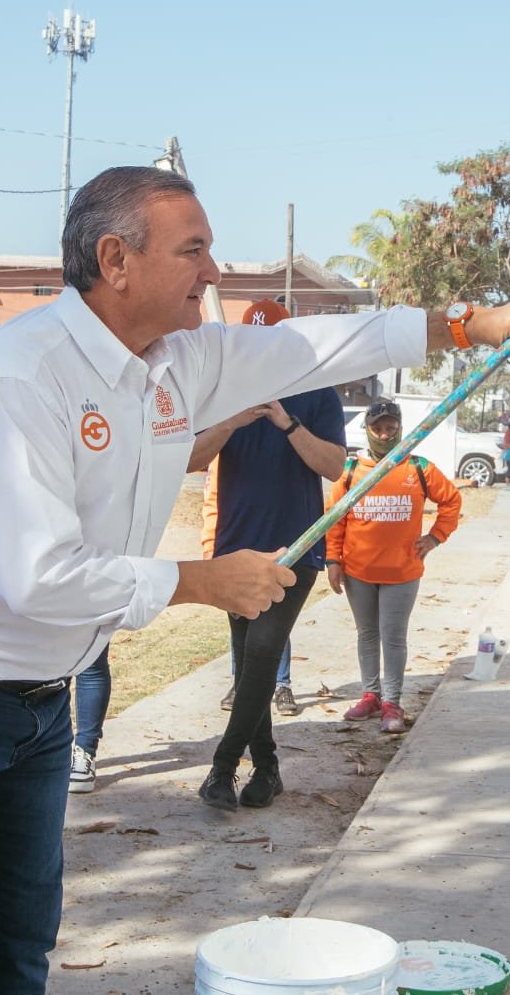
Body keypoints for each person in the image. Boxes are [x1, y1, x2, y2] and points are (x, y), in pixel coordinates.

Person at [0, 165, 510, 992]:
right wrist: (203, 580)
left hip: (36, 702)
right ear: (117, 260)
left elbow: (314, 346)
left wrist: (468, 324)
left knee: (18, 947)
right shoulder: (22, 377)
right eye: (195, 249)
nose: (213, 272)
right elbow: (39, 578)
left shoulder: (177, 361)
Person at [187, 298, 348, 811]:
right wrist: (231, 421)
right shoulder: (225, 393)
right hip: (236, 550)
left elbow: (334, 467)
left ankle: (222, 768)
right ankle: (269, 768)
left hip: (295, 548)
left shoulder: (318, 392)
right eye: (252, 343)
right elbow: (192, 460)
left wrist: (287, 423)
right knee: (248, 669)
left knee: (261, 655)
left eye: (271, 343)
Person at [328, 399, 461, 734]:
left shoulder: (417, 467)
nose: (385, 434)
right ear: (367, 429)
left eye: (391, 428)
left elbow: (452, 500)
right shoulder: (350, 471)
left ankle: (392, 702)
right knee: (367, 634)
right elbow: (335, 519)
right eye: (378, 428)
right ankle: (370, 695)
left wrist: (435, 537)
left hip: (402, 572)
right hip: (358, 571)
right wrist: (333, 560)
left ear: (400, 428)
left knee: (393, 636)